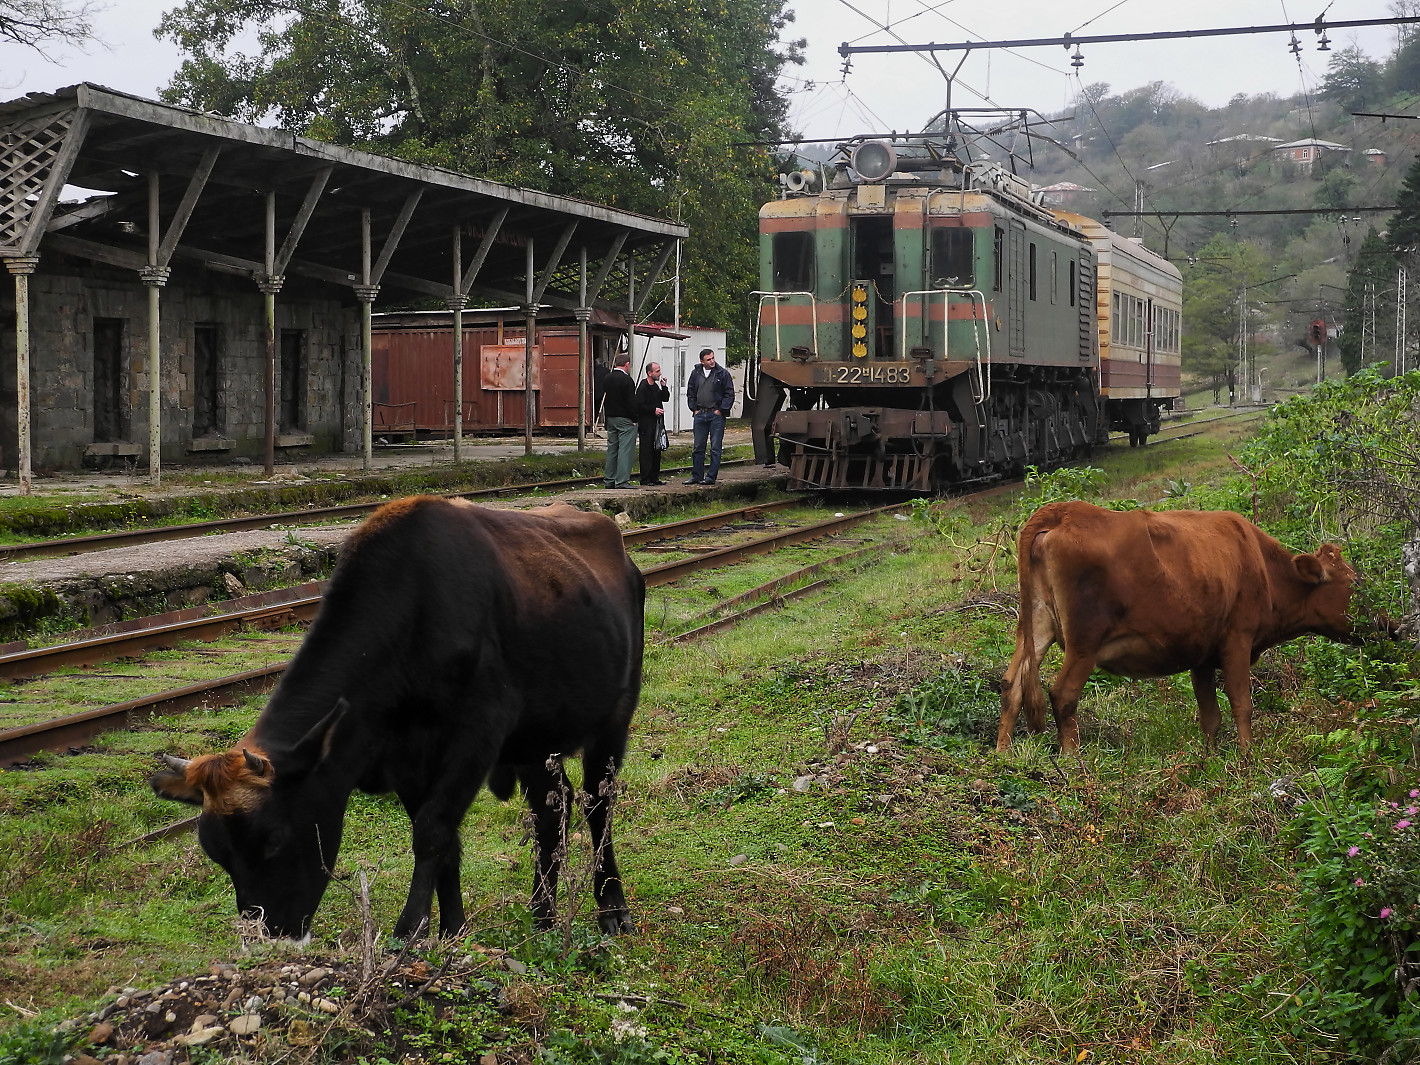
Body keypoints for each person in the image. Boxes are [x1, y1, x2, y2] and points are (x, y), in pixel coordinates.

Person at [684, 347, 734, 485]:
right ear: (702, 361)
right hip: (700, 414)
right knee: (698, 447)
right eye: (708, 359)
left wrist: (721, 410)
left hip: (715, 415)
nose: (712, 361)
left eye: (713, 358)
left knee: (715, 447)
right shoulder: (696, 373)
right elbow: (691, 391)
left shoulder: (722, 374)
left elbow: (729, 393)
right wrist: (693, 409)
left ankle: (711, 477)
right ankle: (697, 476)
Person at [602, 352, 638, 489]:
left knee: (612, 449)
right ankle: (622, 480)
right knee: (625, 449)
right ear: (627, 364)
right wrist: (634, 418)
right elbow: (630, 402)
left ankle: (609, 479)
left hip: (610, 418)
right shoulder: (627, 380)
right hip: (625, 419)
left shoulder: (607, 378)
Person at [635, 361, 670, 486]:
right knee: (646, 451)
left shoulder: (655, 386)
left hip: (657, 423)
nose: (659, 373)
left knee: (657, 449)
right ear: (650, 373)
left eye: (659, 370)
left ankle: (654, 477)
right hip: (646, 424)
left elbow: (664, 398)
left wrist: (664, 386)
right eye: (657, 371)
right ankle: (645, 478)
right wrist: (653, 410)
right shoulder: (643, 386)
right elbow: (639, 405)